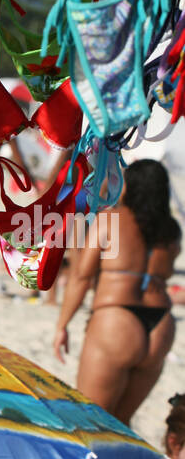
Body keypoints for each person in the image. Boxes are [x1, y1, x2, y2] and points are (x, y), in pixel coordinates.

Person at [54, 160, 181, 425]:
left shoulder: (111, 220)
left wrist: (62, 325)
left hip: (117, 321)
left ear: (130, 187)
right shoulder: (171, 231)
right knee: (122, 424)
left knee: (92, 420)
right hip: (161, 326)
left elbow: (82, 276)